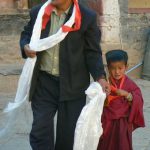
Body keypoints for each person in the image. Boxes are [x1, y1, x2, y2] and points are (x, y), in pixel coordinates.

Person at [20, 0, 110, 150]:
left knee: (68, 135)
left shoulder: (86, 17)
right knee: (40, 130)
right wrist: (25, 46)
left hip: (73, 84)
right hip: (44, 83)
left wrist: (100, 77)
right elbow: (27, 34)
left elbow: (92, 52)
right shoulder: (39, 12)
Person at [97, 50, 145, 150]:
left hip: (123, 123)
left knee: (122, 145)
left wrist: (127, 94)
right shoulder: (105, 84)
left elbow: (139, 99)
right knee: (105, 144)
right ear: (108, 68)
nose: (117, 72)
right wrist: (104, 97)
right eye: (113, 68)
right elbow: (97, 103)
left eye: (120, 68)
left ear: (126, 67)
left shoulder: (129, 84)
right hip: (107, 122)